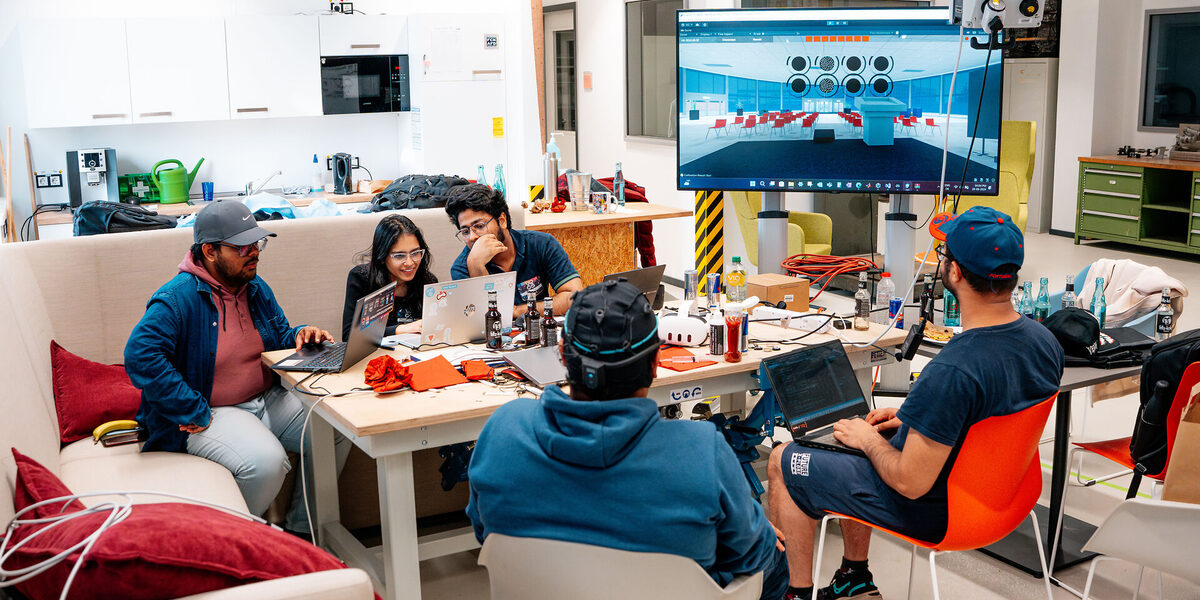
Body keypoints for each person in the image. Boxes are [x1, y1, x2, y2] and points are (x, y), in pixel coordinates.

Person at [766, 206, 1064, 600]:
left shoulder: (955, 369)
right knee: (864, 438)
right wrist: (913, 419)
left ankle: (793, 594)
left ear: (954, 272)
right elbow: (985, 416)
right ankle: (853, 579)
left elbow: (908, 481)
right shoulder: (1044, 341)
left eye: (944, 255)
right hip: (1006, 500)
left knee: (785, 459)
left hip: (940, 512)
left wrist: (867, 440)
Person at [466, 280, 789, 599]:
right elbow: (750, 556)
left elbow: (485, 532)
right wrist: (758, 529)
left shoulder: (502, 430)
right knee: (773, 557)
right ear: (656, 363)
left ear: (562, 354)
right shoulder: (701, 450)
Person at [124, 200, 351, 536]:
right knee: (267, 463)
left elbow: (276, 337)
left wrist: (300, 335)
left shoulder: (254, 288)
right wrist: (190, 409)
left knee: (337, 426)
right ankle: (234, 544)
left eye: (257, 243)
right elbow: (140, 354)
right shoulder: (177, 298)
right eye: (242, 246)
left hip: (268, 396)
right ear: (210, 251)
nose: (254, 252)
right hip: (213, 411)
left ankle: (303, 534)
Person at [445, 183, 583, 316]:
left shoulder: (541, 244)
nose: (473, 237)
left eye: (480, 226)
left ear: (502, 220)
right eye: (465, 231)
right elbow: (478, 319)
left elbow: (574, 298)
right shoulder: (462, 266)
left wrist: (517, 311)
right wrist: (476, 265)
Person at [343, 214, 437, 341]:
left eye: (415, 253)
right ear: (382, 257)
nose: (410, 262)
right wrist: (399, 330)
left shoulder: (428, 281)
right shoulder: (362, 278)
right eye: (399, 256)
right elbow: (349, 337)